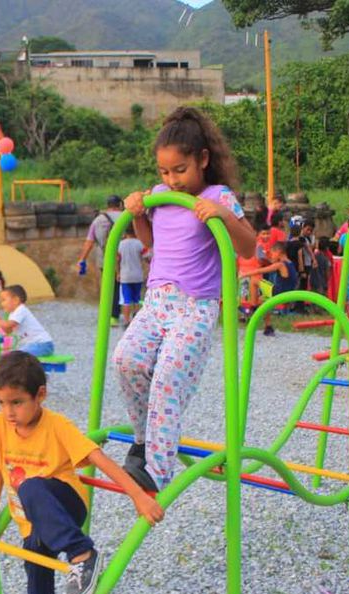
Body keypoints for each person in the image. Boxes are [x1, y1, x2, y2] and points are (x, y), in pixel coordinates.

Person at [0, 352, 163, 594]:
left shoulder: (57, 426)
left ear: (40, 395)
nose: (8, 412)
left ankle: (82, 553)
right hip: (32, 523)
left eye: (16, 402)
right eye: (1, 402)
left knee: (31, 487)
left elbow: (99, 459)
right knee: (36, 583)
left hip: (64, 506)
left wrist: (138, 496)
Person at [114, 106, 257, 493]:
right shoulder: (161, 197)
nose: (172, 180)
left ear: (203, 160)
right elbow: (151, 245)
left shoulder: (218, 195)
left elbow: (248, 246)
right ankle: (144, 442)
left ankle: (158, 470)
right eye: (164, 172)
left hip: (196, 306)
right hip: (157, 301)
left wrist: (224, 216)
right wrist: (139, 212)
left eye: (180, 170)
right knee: (127, 359)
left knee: (167, 377)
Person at [76, 195, 124, 325]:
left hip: (104, 259)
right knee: (123, 286)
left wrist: (82, 259)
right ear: (120, 204)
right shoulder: (125, 217)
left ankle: (110, 316)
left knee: (109, 286)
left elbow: (89, 242)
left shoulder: (98, 220)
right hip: (124, 258)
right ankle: (123, 313)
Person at [239, 242, 298, 336]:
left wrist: (244, 275)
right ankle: (268, 327)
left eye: (272, 254)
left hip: (278, 292)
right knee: (263, 302)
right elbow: (273, 263)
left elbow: (261, 270)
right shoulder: (290, 263)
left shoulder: (280, 265)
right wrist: (269, 257)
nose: (271, 256)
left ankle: (253, 308)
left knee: (254, 279)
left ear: (278, 252)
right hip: (288, 293)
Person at [0, 285, 54, 357]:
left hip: (42, 345)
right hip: (35, 345)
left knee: (17, 356)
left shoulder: (21, 310)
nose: (1, 303)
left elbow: (8, 325)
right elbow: (8, 331)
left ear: (16, 300)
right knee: (11, 355)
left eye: (4, 300)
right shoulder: (12, 314)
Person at [117, 226, 146, 325]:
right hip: (137, 275)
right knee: (137, 298)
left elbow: (117, 260)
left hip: (125, 275)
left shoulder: (120, 244)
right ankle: (136, 319)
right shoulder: (139, 244)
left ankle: (126, 320)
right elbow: (147, 257)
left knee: (126, 299)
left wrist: (118, 272)